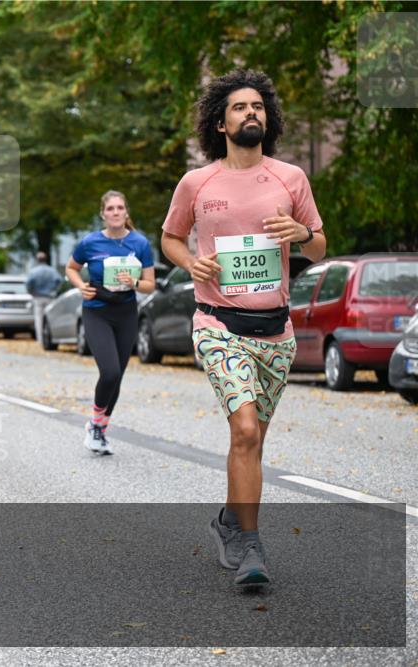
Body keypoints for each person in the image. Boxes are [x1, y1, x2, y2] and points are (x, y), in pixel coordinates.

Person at [161, 69, 326, 586]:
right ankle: (249, 548)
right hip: (217, 325)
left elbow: (319, 246)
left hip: (275, 331)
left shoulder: (290, 177)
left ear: (267, 118)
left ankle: (230, 521)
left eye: (258, 106)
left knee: (251, 443)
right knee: (245, 429)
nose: (251, 112)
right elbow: (171, 238)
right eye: (239, 107)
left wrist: (302, 233)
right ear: (220, 123)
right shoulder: (198, 182)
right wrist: (193, 264)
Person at [66, 191, 155, 456]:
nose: (115, 212)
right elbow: (71, 268)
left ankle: (99, 430)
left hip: (126, 312)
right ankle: (95, 423)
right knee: (110, 372)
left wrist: (134, 283)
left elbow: (150, 285)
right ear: (103, 214)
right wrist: (81, 285)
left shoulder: (140, 243)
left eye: (120, 208)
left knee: (118, 377)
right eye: (110, 209)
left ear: (126, 213)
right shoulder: (90, 242)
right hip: (97, 312)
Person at [26, 251, 62, 345]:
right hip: (50, 297)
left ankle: (40, 340)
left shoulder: (33, 271)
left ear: (37, 260)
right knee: (50, 317)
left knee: (39, 318)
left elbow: (29, 283)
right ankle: (49, 338)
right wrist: (54, 290)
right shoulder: (52, 270)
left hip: (38, 297)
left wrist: (31, 292)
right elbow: (59, 280)